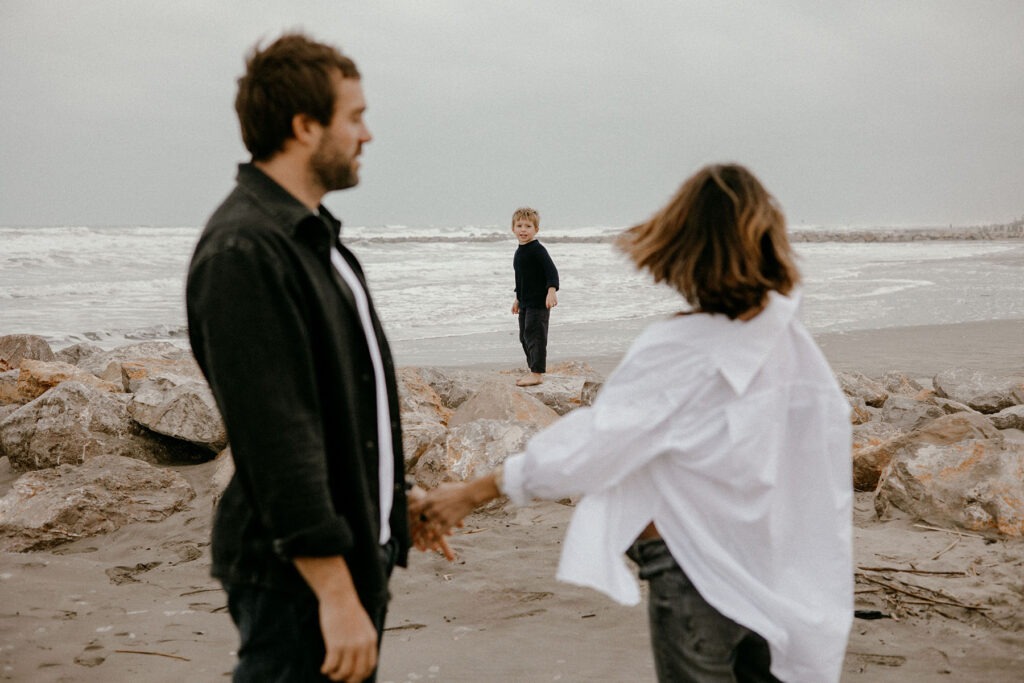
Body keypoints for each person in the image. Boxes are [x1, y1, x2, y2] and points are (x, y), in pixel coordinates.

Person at [416, 164, 854, 682]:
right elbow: (826, 486)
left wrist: (467, 494)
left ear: (680, 245)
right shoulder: (797, 353)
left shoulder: (681, 347)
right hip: (781, 572)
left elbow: (596, 444)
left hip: (697, 571)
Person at [186, 32, 447, 683]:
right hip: (295, 576)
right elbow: (277, 438)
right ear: (305, 127)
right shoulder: (244, 252)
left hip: (347, 548)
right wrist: (333, 591)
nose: (368, 135)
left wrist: (387, 496)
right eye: (354, 117)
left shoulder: (312, 237)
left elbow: (336, 401)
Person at [510, 207, 559, 386]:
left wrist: (551, 291)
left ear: (536, 230)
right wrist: (517, 298)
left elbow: (551, 272)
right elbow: (522, 279)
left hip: (539, 302)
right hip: (525, 302)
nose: (523, 229)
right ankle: (532, 369)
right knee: (524, 336)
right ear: (513, 228)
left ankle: (537, 373)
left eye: (528, 226)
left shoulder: (538, 250)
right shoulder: (519, 252)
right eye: (519, 225)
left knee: (535, 335)